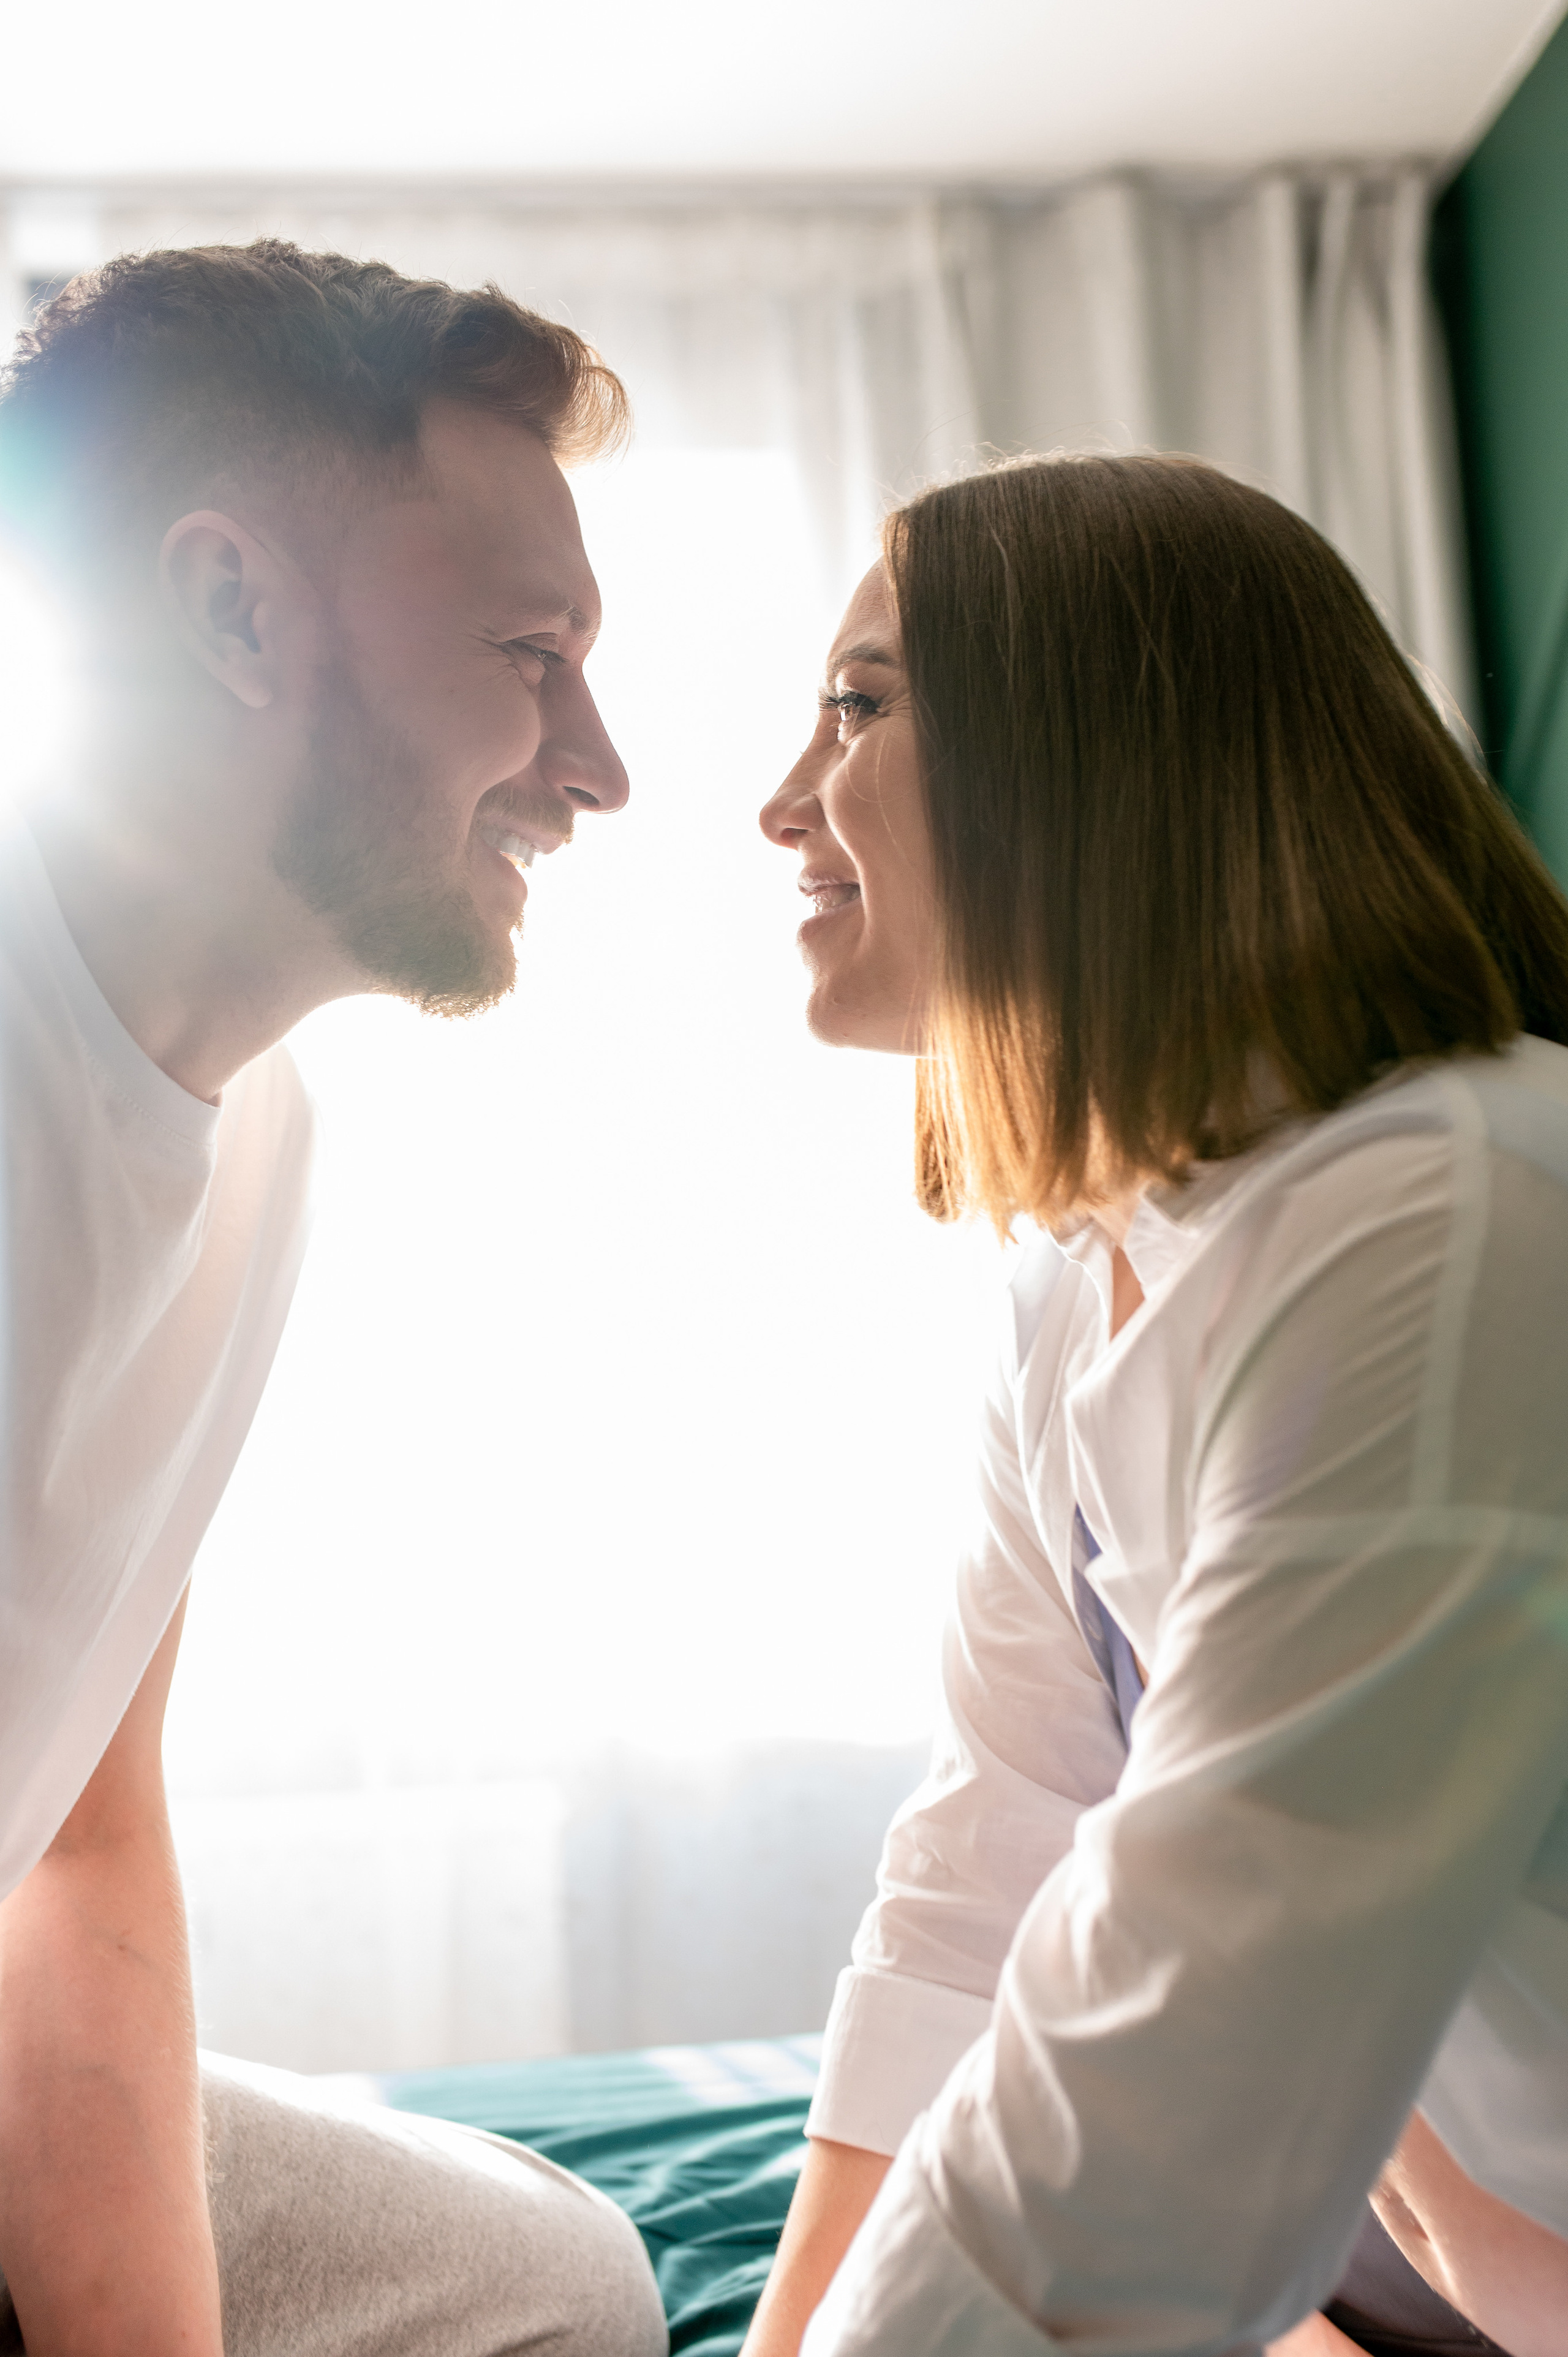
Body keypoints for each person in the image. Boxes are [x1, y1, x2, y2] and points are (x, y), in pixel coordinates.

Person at [751, 454, 1568, 2357]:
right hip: (1403, 2244)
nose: (784, 800)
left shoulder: (1455, 1212)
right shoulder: (1083, 1269)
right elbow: (992, 1862)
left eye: (860, 705)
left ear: (1098, 760)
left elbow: (1172, 2078)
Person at [0, 242, 666, 2357]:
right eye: (530, 652)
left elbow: (84, 1853)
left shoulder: (263, 1138)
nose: (599, 767)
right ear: (231, 614)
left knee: (561, 2288)